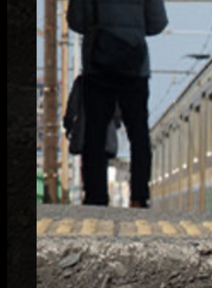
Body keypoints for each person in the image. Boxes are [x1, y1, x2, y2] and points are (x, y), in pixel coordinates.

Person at [68, 0, 168, 207]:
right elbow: (158, 23)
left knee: (95, 133)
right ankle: (139, 195)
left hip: (98, 65)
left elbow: (76, 21)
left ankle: (95, 195)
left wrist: (99, 28)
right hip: (134, 65)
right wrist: (133, 31)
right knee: (138, 133)